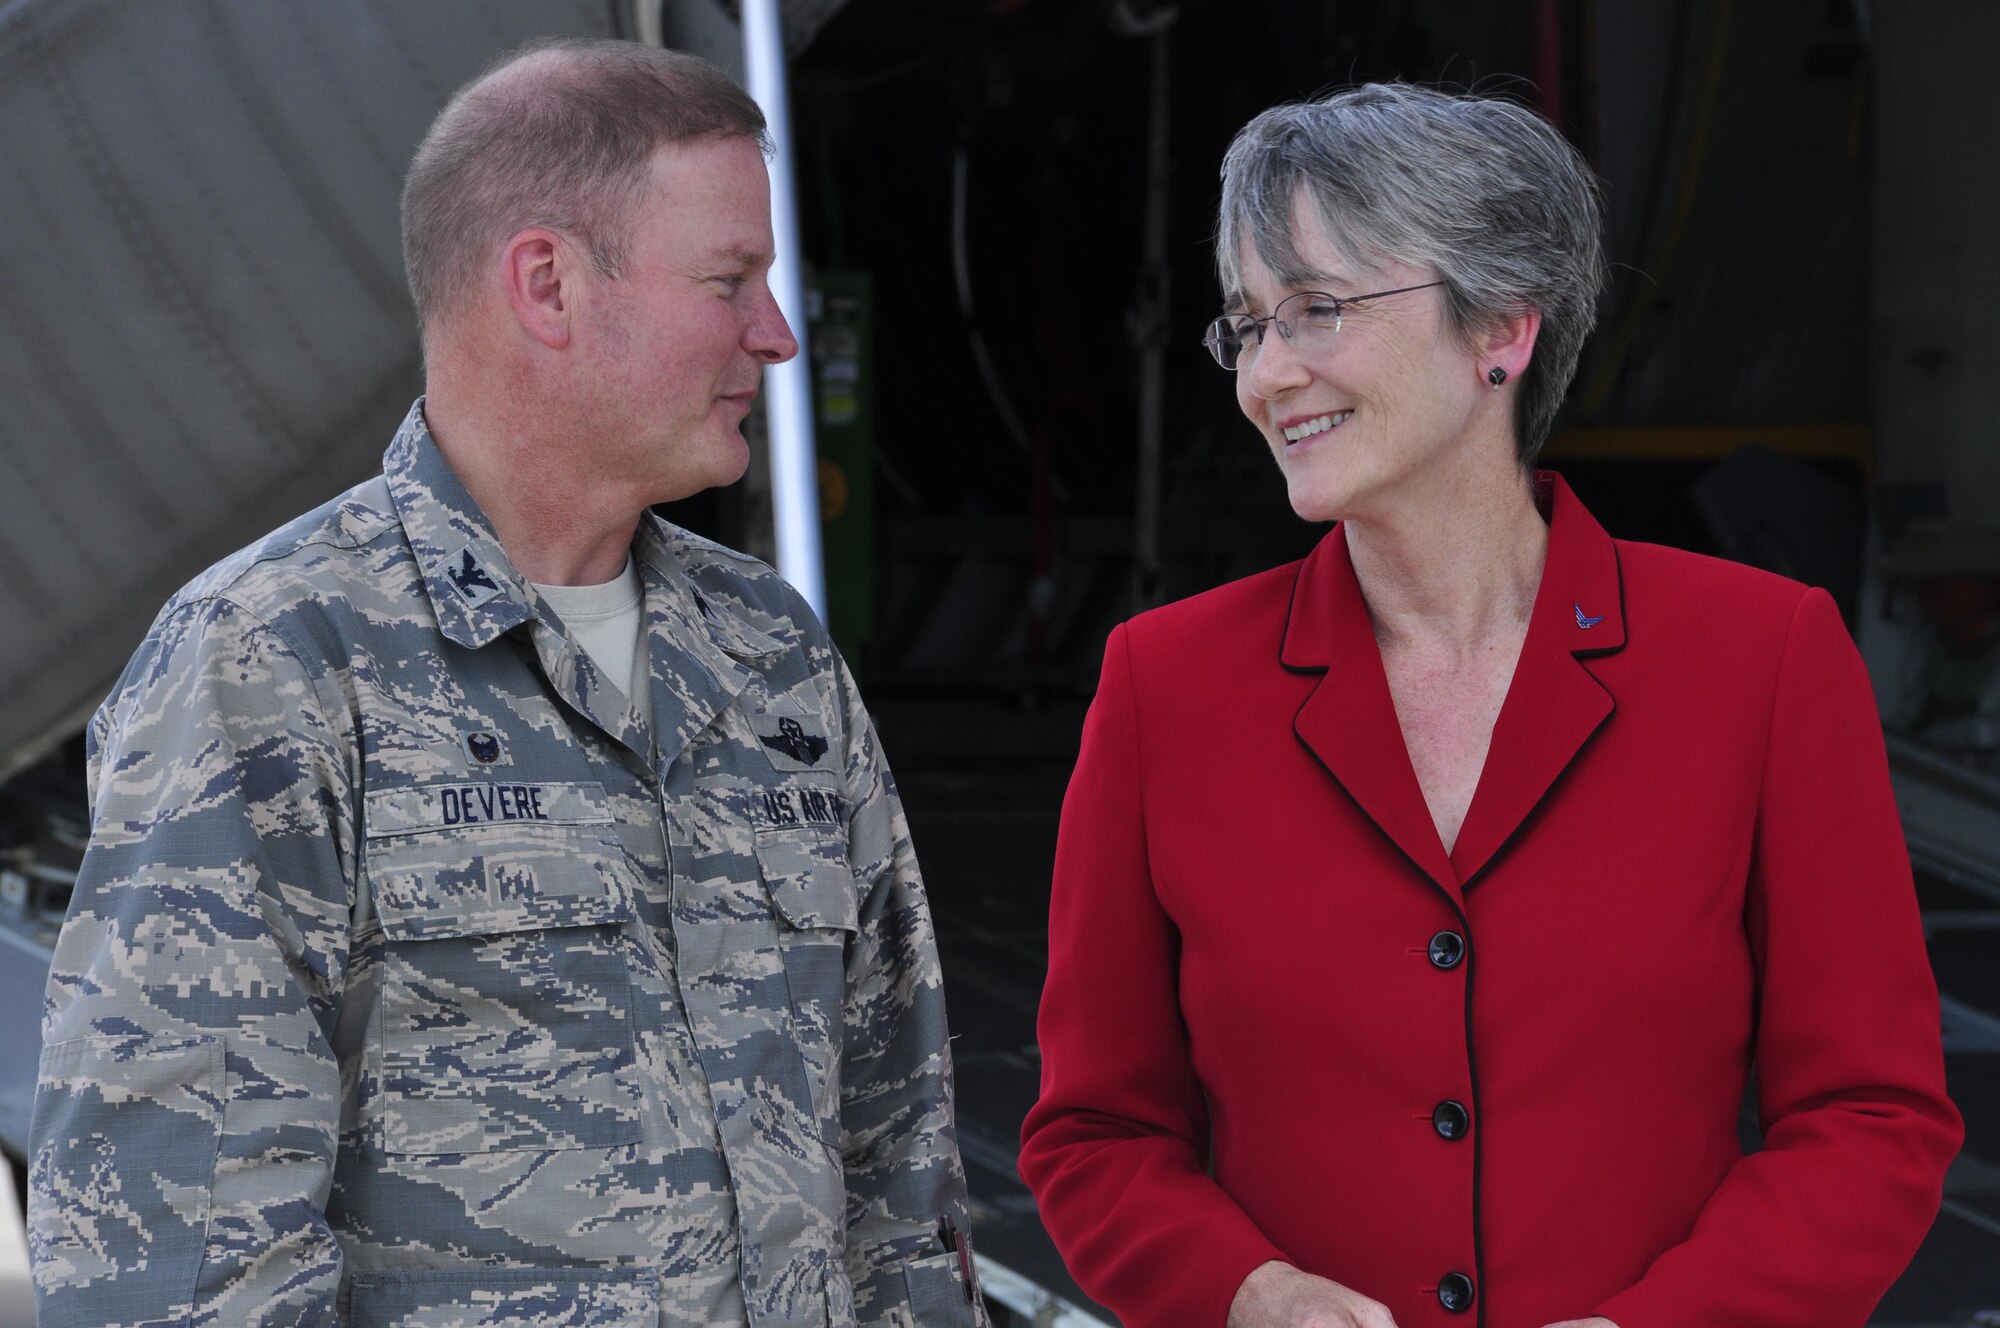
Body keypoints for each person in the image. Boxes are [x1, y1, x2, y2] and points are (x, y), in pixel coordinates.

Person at [28, 38, 986, 1328]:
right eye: (728, 279)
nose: (774, 333)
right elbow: (175, 1254)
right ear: (546, 283)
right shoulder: (270, 659)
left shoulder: (770, 651)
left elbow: (895, 1157)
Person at [1018, 83, 1960, 1328]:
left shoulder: (1763, 657)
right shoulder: (1162, 685)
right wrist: (1248, 1294)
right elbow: (1096, 1129)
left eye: (1319, 308)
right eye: (1247, 325)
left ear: (1500, 329)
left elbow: (1869, 1116)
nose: (1267, 373)